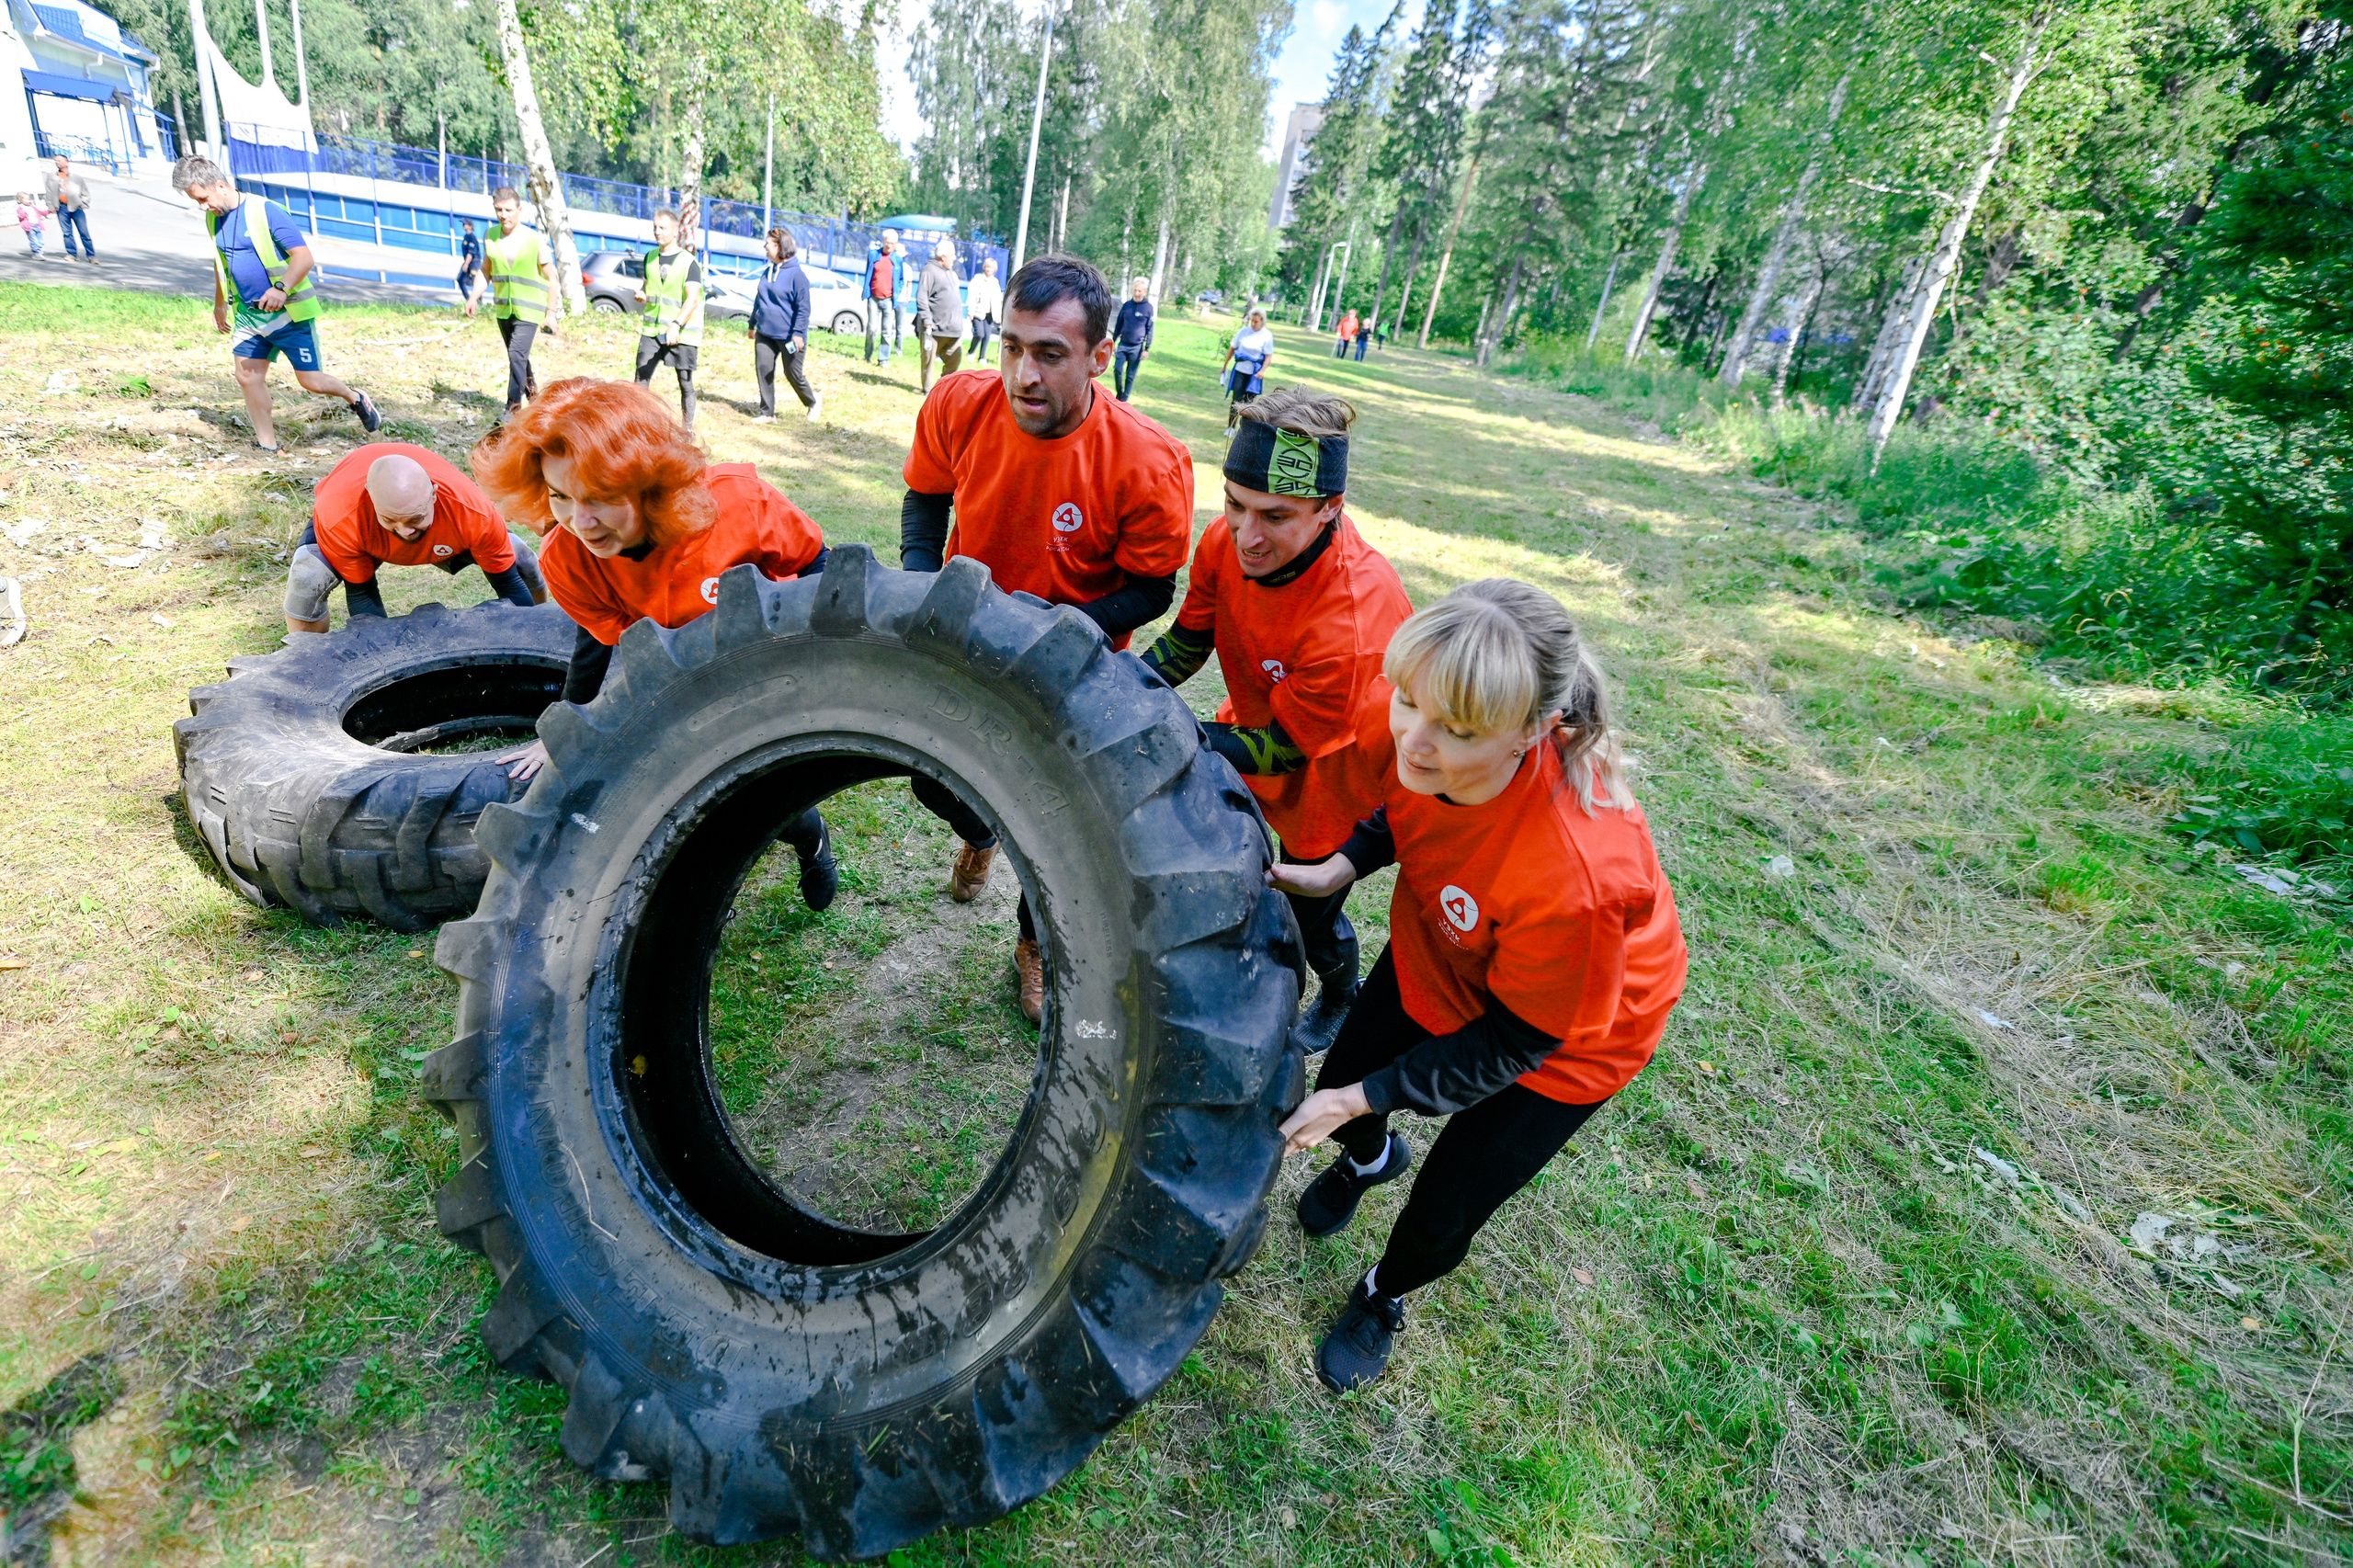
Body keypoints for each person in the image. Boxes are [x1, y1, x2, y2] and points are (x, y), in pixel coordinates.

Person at [1268, 580, 1687, 1392]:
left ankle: (1383, 1293)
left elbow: (1520, 1037)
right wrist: (1342, 865)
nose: (1413, 742)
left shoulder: (1580, 874)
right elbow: (1407, 801)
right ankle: (1369, 1161)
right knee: (1342, 1087)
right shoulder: (1424, 723)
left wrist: (1367, 1094)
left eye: (1456, 731)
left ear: (1533, 732)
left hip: (1563, 1036)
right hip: (1451, 945)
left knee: (1445, 1209)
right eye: (1408, 703)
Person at [898, 253, 1194, 1022]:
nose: (1023, 375)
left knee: (1054, 819)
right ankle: (980, 832)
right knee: (933, 777)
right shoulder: (960, 403)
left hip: (1074, 663)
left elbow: (1152, 586)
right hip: (964, 641)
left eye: (1050, 354)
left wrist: (1055, 632)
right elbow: (925, 498)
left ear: (1101, 357)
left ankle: (1032, 944)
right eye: (1011, 347)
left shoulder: (1148, 460)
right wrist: (925, 580)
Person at [477, 378, 840, 909]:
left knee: (768, 790)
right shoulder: (567, 559)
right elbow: (609, 644)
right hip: (687, 676)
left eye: (600, 497)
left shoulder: (740, 505)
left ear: (648, 484)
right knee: (705, 793)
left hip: (770, 662)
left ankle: (812, 841)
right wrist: (568, 724)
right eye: (560, 497)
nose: (581, 522)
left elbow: (820, 570)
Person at [1140, 389, 1412, 1056]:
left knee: (1306, 912)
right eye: (1235, 503)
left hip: (1339, 783)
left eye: (1276, 516)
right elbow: (1188, 641)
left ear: (1329, 509)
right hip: (1259, 725)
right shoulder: (1223, 539)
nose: (1247, 535)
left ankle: (1340, 991)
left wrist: (1169, 732)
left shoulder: (1355, 622)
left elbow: (1288, 751)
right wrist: (1123, 688)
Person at [172, 155, 382, 455]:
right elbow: (223, 264)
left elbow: (304, 257)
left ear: (220, 185)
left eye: (204, 199)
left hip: (288, 315)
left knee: (311, 381)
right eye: (198, 202)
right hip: (248, 315)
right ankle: (267, 445)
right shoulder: (214, 217)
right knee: (247, 376)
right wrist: (220, 305)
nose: (203, 207)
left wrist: (281, 289)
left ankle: (355, 397)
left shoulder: (264, 211)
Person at [284, 442, 547, 633]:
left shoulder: (471, 512)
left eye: (415, 519)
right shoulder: (343, 516)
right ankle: (306, 663)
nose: (404, 531)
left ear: (434, 493)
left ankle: (541, 629)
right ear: (369, 497)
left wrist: (528, 633)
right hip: (358, 527)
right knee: (308, 578)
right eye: (390, 520)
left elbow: (509, 584)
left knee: (522, 560)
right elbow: (362, 595)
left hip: (445, 526)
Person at [466, 187, 556, 416]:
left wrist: (551, 312)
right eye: (499, 210)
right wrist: (474, 296)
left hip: (530, 310)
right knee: (519, 359)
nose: (503, 215)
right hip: (504, 310)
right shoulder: (490, 235)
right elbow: (485, 271)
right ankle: (535, 399)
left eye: (508, 210)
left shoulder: (534, 240)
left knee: (516, 354)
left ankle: (512, 409)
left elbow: (552, 278)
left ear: (519, 210)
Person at [632, 209, 703, 431]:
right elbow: (648, 285)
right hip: (651, 330)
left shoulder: (689, 262)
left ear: (676, 230)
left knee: (685, 383)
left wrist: (677, 325)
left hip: (681, 333)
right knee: (640, 381)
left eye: (662, 228)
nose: (657, 231)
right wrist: (642, 292)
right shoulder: (650, 257)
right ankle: (636, 427)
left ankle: (687, 430)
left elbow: (692, 299)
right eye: (655, 227)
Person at [747, 228, 820, 424]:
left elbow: (803, 309)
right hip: (765, 333)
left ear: (780, 246)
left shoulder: (797, 276)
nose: (765, 247)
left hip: (789, 337)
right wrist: (752, 323)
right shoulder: (767, 271)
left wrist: (798, 334)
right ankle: (767, 413)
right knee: (764, 370)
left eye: (768, 244)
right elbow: (759, 299)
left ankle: (812, 402)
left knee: (793, 374)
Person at [916, 240, 967, 393]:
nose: (954, 258)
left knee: (955, 357)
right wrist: (927, 320)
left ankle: (942, 388)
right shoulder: (929, 270)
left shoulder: (950, 272)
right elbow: (922, 297)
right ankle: (927, 390)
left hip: (952, 329)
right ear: (943, 256)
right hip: (934, 327)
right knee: (928, 361)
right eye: (952, 255)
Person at [1220, 308, 1275, 431]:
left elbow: (1268, 356)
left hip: (1254, 374)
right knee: (1236, 399)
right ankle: (1231, 427)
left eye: (1256, 322)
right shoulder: (1243, 331)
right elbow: (1233, 349)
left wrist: (1263, 371)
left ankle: (1243, 429)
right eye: (1252, 321)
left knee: (1249, 402)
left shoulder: (1266, 335)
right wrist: (1225, 366)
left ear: (1262, 321)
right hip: (1240, 370)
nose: (1253, 324)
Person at [1111, 275, 1154, 402]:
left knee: (1130, 376)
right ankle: (1119, 393)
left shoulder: (1148, 308)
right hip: (1123, 344)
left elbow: (1150, 329)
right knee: (1117, 369)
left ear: (1145, 292)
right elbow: (1119, 324)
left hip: (1137, 347)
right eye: (1135, 290)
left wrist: (1147, 349)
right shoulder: (1127, 306)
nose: (1137, 293)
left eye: (1140, 291)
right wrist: (1113, 342)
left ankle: (1124, 399)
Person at [42, 156, 92, 264]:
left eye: (59, 160)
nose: (57, 162)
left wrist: (82, 204)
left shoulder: (77, 178)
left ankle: (91, 255)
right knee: (67, 232)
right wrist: (50, 206)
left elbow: (85, 194)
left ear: (67, 162)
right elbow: (49, 192)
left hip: (76, 208)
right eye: (55, 161)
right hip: (62, 207)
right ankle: (72, 254)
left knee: (84, 232)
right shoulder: (52, 177)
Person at [864, 228, 903, 367]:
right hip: (873, 298)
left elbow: (901, 279)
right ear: (883, 241)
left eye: (893, 243)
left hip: (888, 300)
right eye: (888, 242)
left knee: (887, 332)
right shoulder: (874, 255)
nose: (890, 245)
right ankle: (868, 355)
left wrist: (896, 292)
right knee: (872, 328)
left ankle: (883, 359)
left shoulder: (897, 260)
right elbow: (868, 273)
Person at [965, 256, 1003, 363]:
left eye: (991, 268)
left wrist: (998, 315)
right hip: (977, 312)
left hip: (990, 314)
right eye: (987, 267)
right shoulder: (977, 279)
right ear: (984, 268)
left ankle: (982, 357)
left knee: (987, 335)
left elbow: (997, 300)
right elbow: (972, 295)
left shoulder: (995, 282)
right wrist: (970, 311)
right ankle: (971, 352)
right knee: (979, 334)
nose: (989, 270)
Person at [456, 218, 483, 304]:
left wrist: (466, 264)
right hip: (468, 262)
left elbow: (471, 253)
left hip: (474, 263)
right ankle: (469, 300)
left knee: (476, 284)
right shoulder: (466, 236)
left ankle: (479, 304)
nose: (464, 225)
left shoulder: (472, 237)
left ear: (470, 226)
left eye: (465, 224)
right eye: (463, 224)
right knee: (460, 280)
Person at [15, 192, 47, 256]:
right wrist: (22, 214)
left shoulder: (32, 207)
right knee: (33, 240)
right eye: (26, 199)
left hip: (37, 225)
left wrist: (47, 212)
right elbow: (21, 216)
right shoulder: (21, 208)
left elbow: (39, 212)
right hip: (30, 227)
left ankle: (40, 250)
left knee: (40, 239)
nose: (29, 201)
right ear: (21, 200)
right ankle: (36, 252)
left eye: (29, 199)